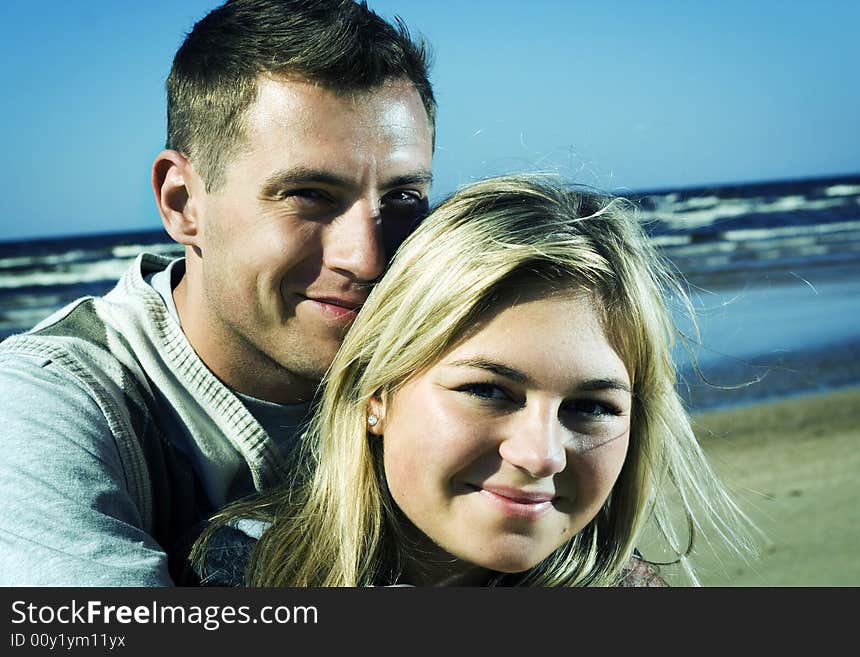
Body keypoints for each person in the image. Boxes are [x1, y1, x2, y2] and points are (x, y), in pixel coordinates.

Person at [0, 0, 435, 586]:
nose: (367, 257)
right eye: (308, 194)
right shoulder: (47, 405)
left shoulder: (457, 374)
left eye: (403, 198)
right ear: (182, 203)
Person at [191, 174, 755, 587]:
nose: (540, 455)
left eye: (590, 407)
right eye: (488, 392)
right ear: (376, 391)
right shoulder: (252, 572)